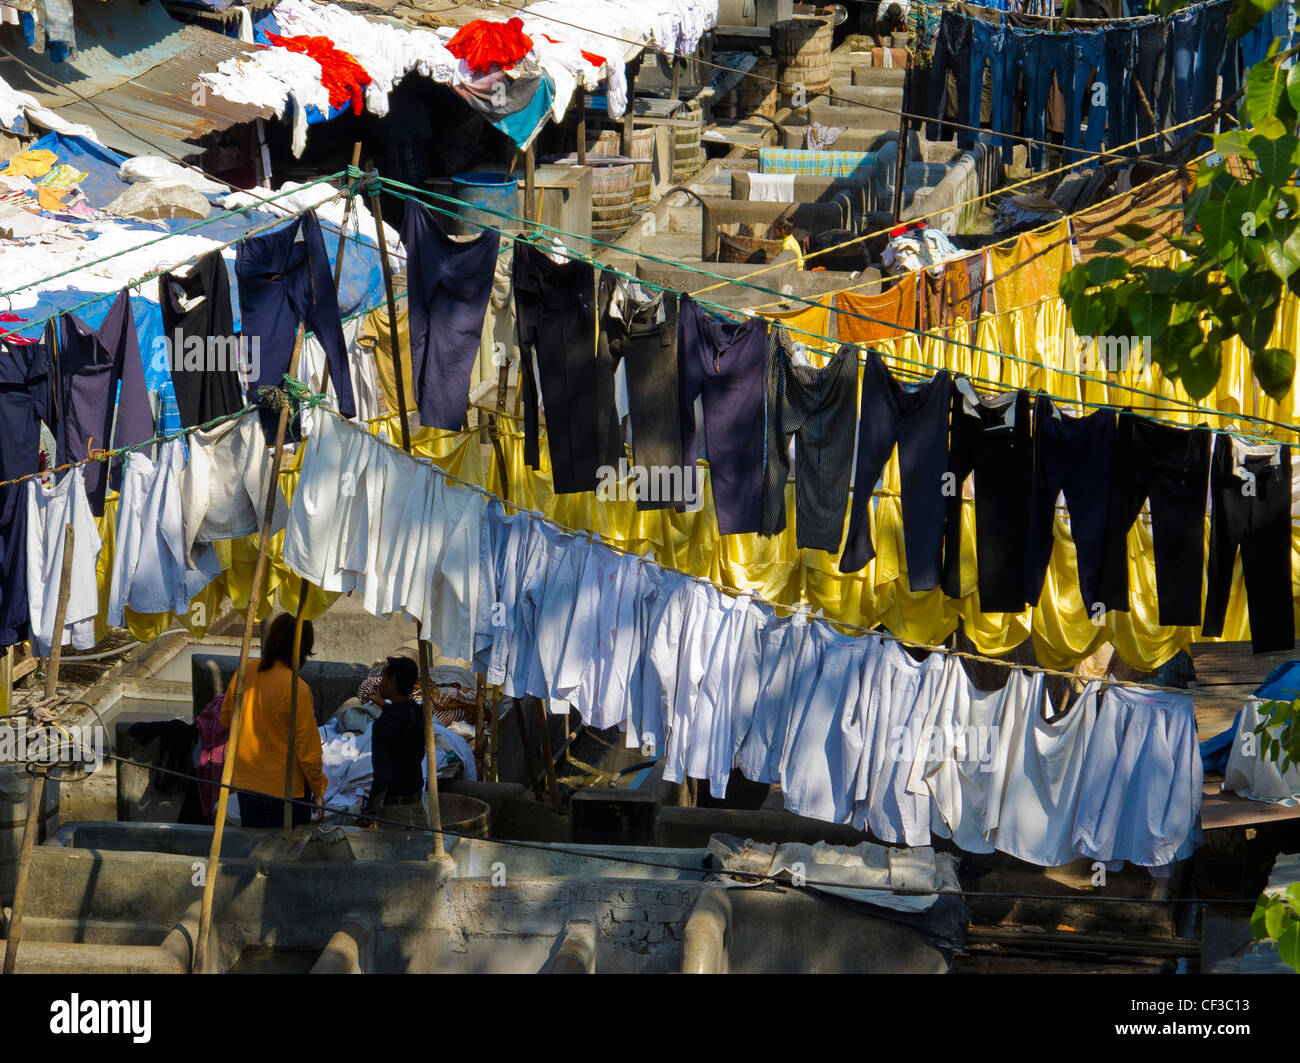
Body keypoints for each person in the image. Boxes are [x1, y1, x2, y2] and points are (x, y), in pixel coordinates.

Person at [221, 613, 327, 829]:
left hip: (247, 784)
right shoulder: (297, 688)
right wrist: (318, 791)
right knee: (285, 859)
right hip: (286, 792)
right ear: (304, 648)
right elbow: (307, 751)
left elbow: (226, 719)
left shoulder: (245, 671)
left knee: (255, 855)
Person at [360, 655, 429, 830]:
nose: (379, 682)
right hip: (417, 805)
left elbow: (382, 777)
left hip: (395, 813)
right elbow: (403, 712)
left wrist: (369, 811)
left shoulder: (383, 725)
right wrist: (383, 704)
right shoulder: (419, 713)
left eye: (383, 677)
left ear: (393, 681)